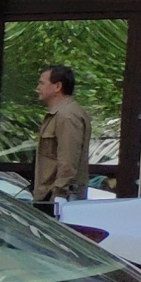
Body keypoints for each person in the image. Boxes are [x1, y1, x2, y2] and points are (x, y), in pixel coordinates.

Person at [32, 64, 91, 207]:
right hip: (50, 195)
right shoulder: (60, 114)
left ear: (57, 86)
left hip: (59, 199)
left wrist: (60, 194)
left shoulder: (67, 116)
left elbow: (68, 160)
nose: (38, 87)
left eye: (42, 83)